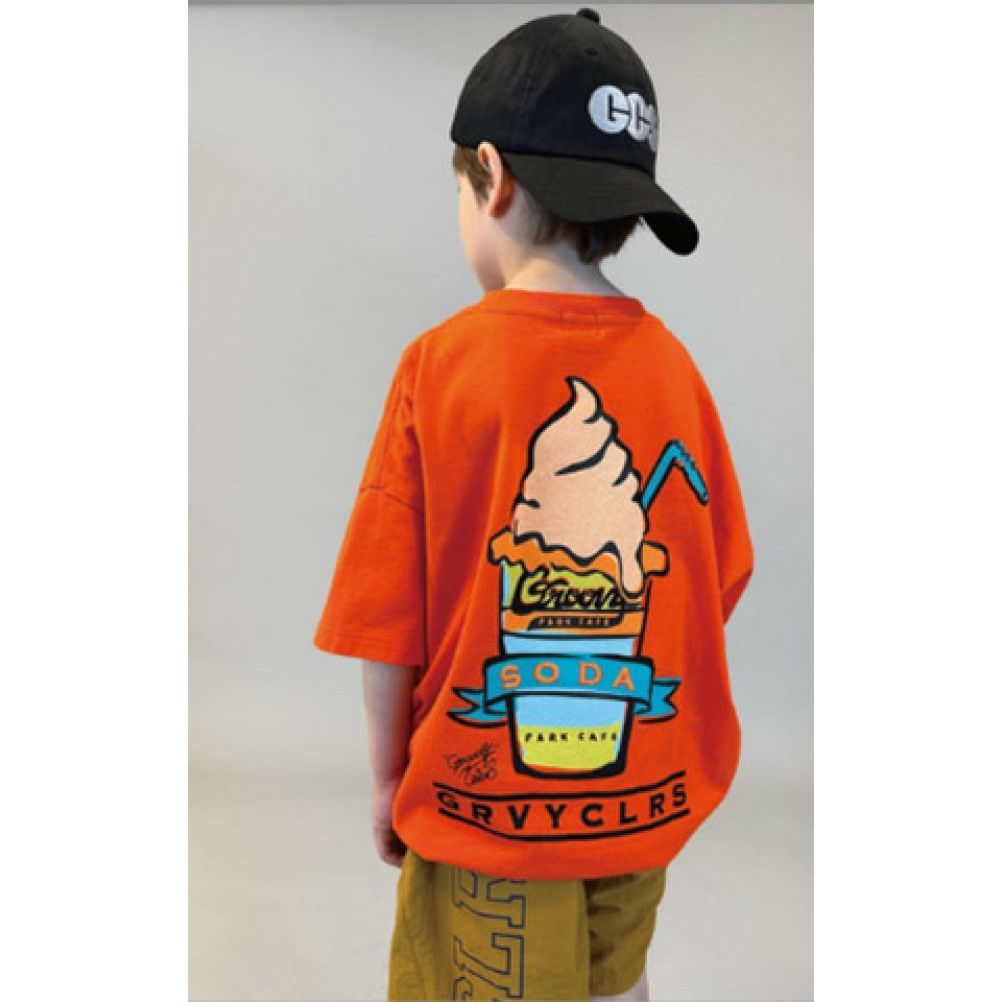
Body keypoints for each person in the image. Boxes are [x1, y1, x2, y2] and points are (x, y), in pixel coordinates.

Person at [313, 8, 753, 1000]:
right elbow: (717, 579)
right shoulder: (673, 369)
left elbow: (387, 620)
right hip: (642, 803)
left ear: (491, 174)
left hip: (485, 812)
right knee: (614, 982)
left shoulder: (438, 368)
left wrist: (389, 779)